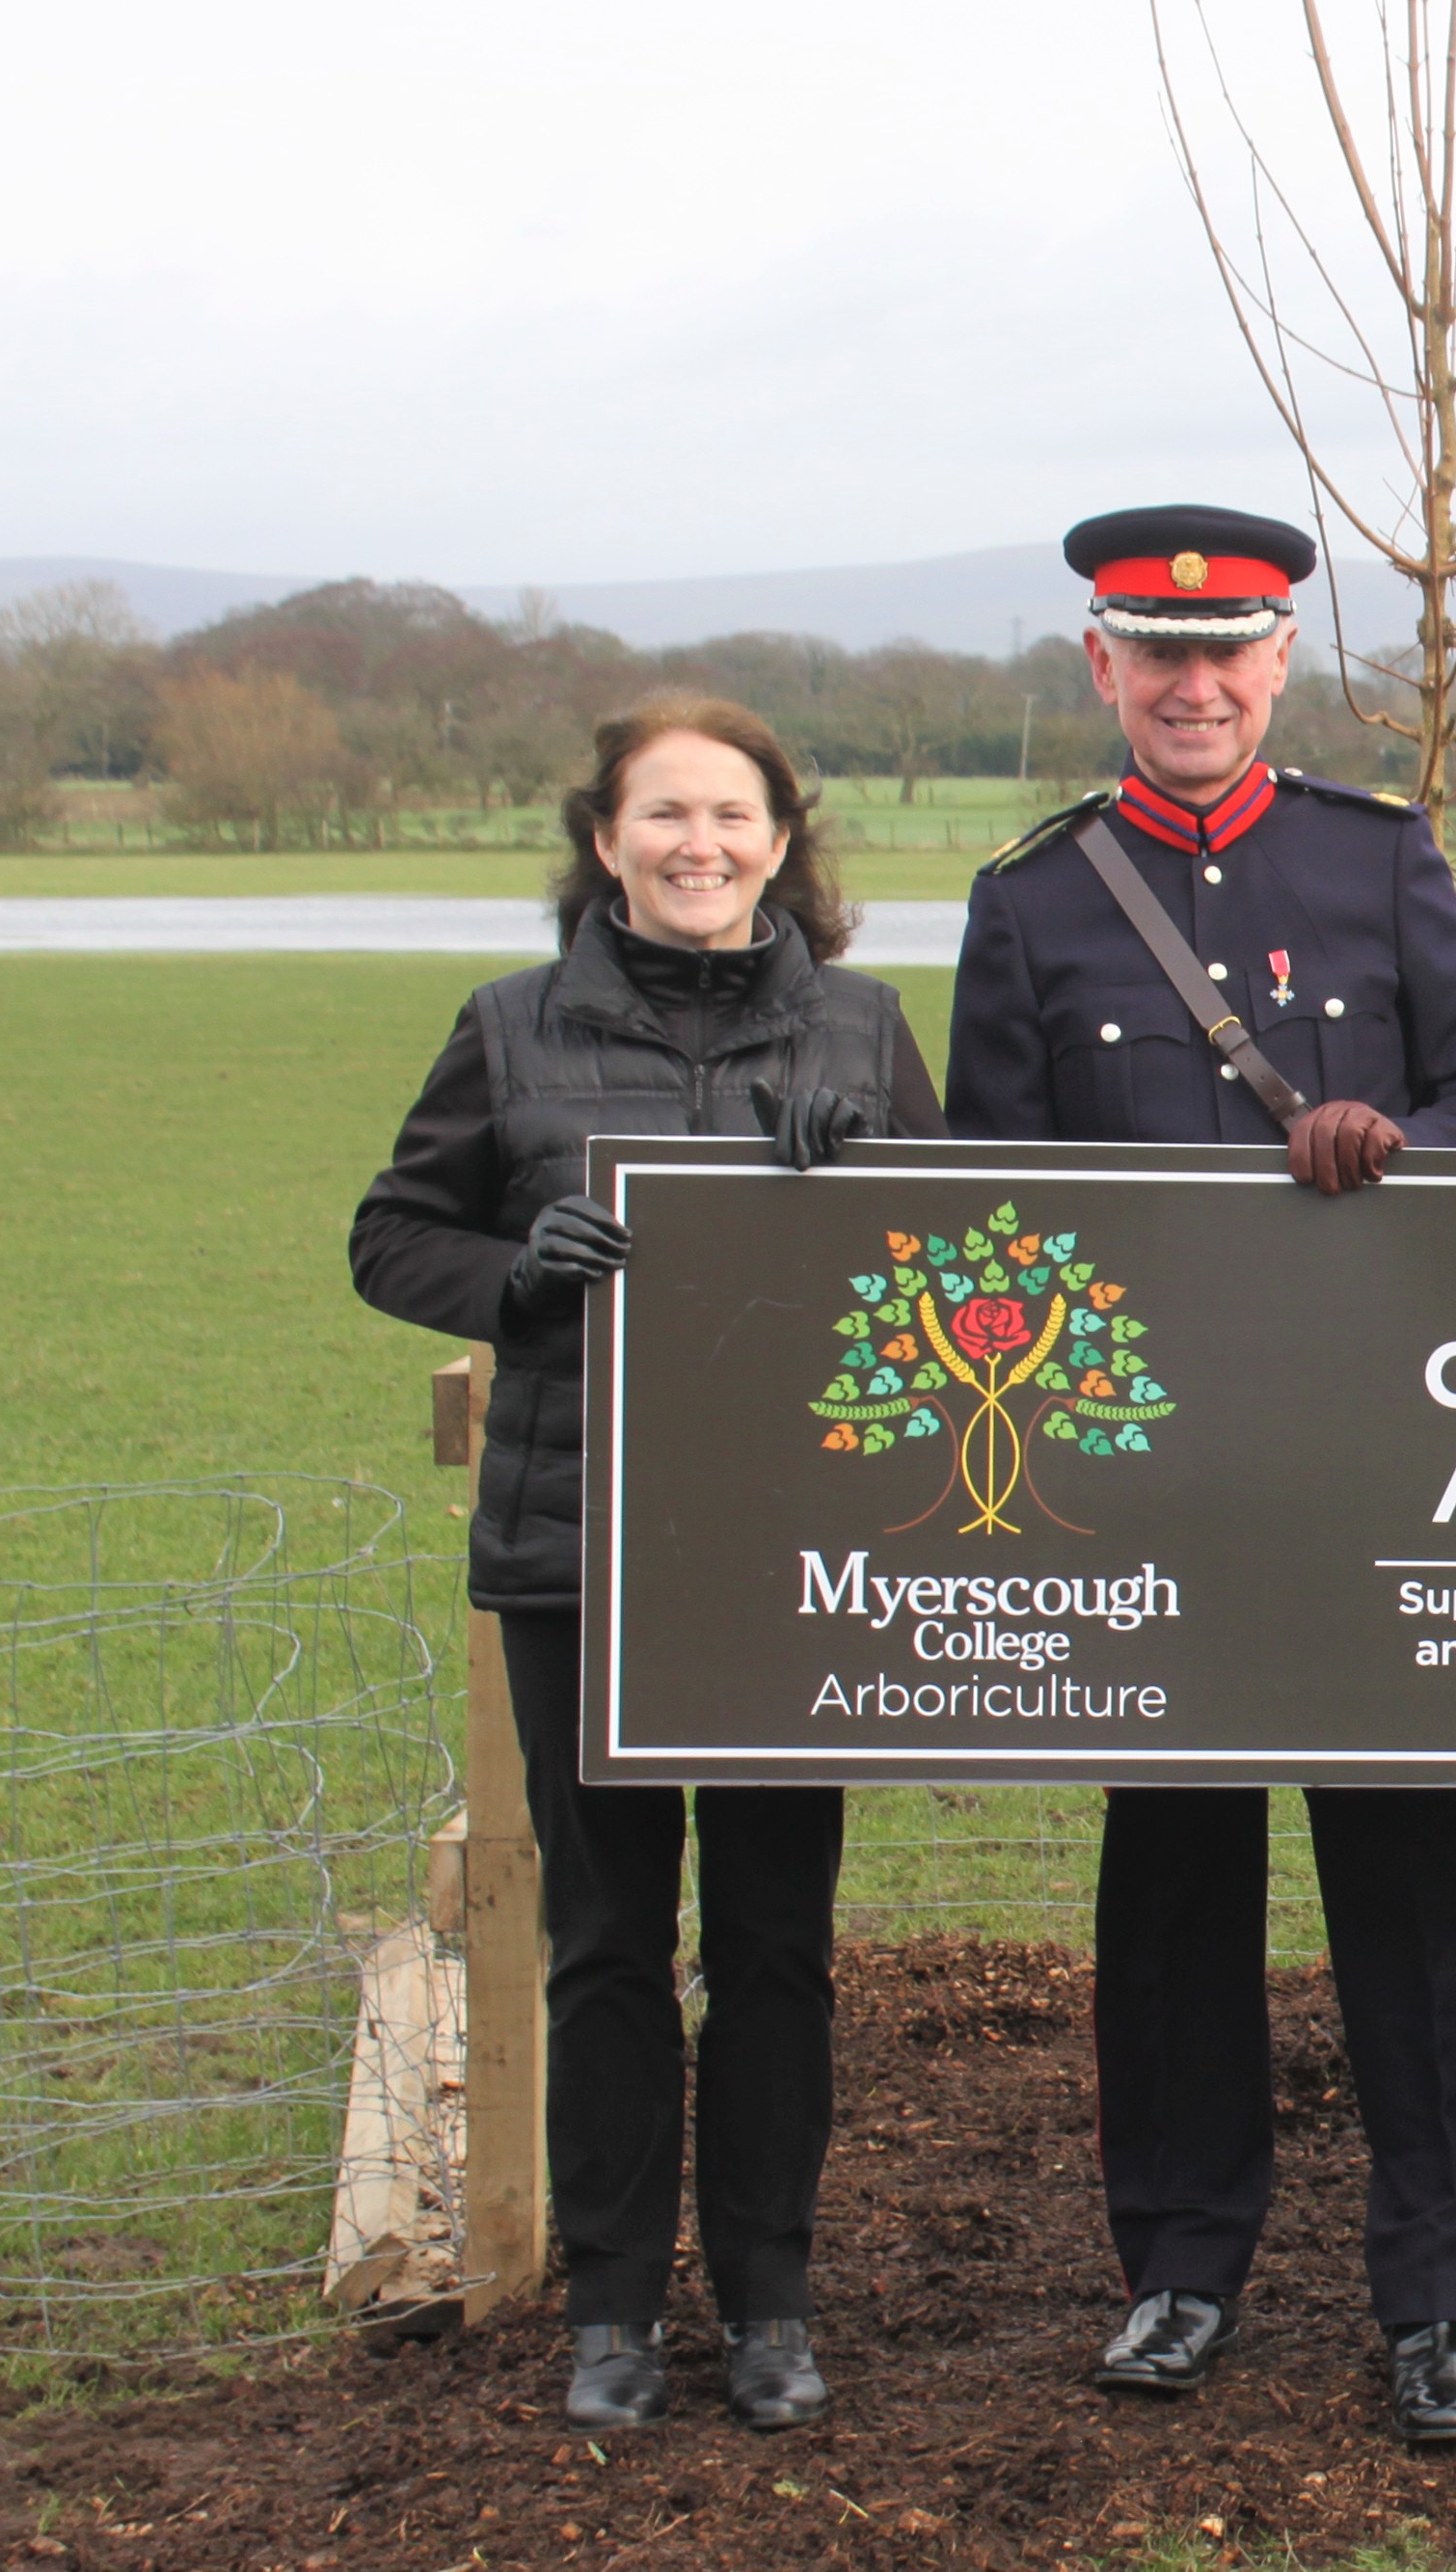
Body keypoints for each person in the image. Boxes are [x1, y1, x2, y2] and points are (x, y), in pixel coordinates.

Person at [948, 503, 1456, 2445]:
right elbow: (994, 1201)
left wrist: (1404, 1140)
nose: (1193, 685)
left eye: (1230, 654)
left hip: (1367, 1470)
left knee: (1415, 1903)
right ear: (1102, 668)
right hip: (1155, 1488)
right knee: (1173, 1898)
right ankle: (1180, 2268)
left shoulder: (1376, 860)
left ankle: (1440, 2297)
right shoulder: (1035, 899)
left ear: (1281, 661)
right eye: (1154, 653)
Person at [352, 696, 946, 2432]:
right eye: (664, 814)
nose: (702, 842)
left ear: (783, 838)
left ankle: (769, 2301)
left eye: (734, 814)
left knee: (775, 1940)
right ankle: (611, 2309)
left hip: (791, 1552)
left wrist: (877, 1192)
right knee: (608, 1937)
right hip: (580, 1551)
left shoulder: (861, 1026)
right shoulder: (511, 1029)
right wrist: (517, 1281)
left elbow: (953, 1247)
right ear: (605, 840)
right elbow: (395, 1236)